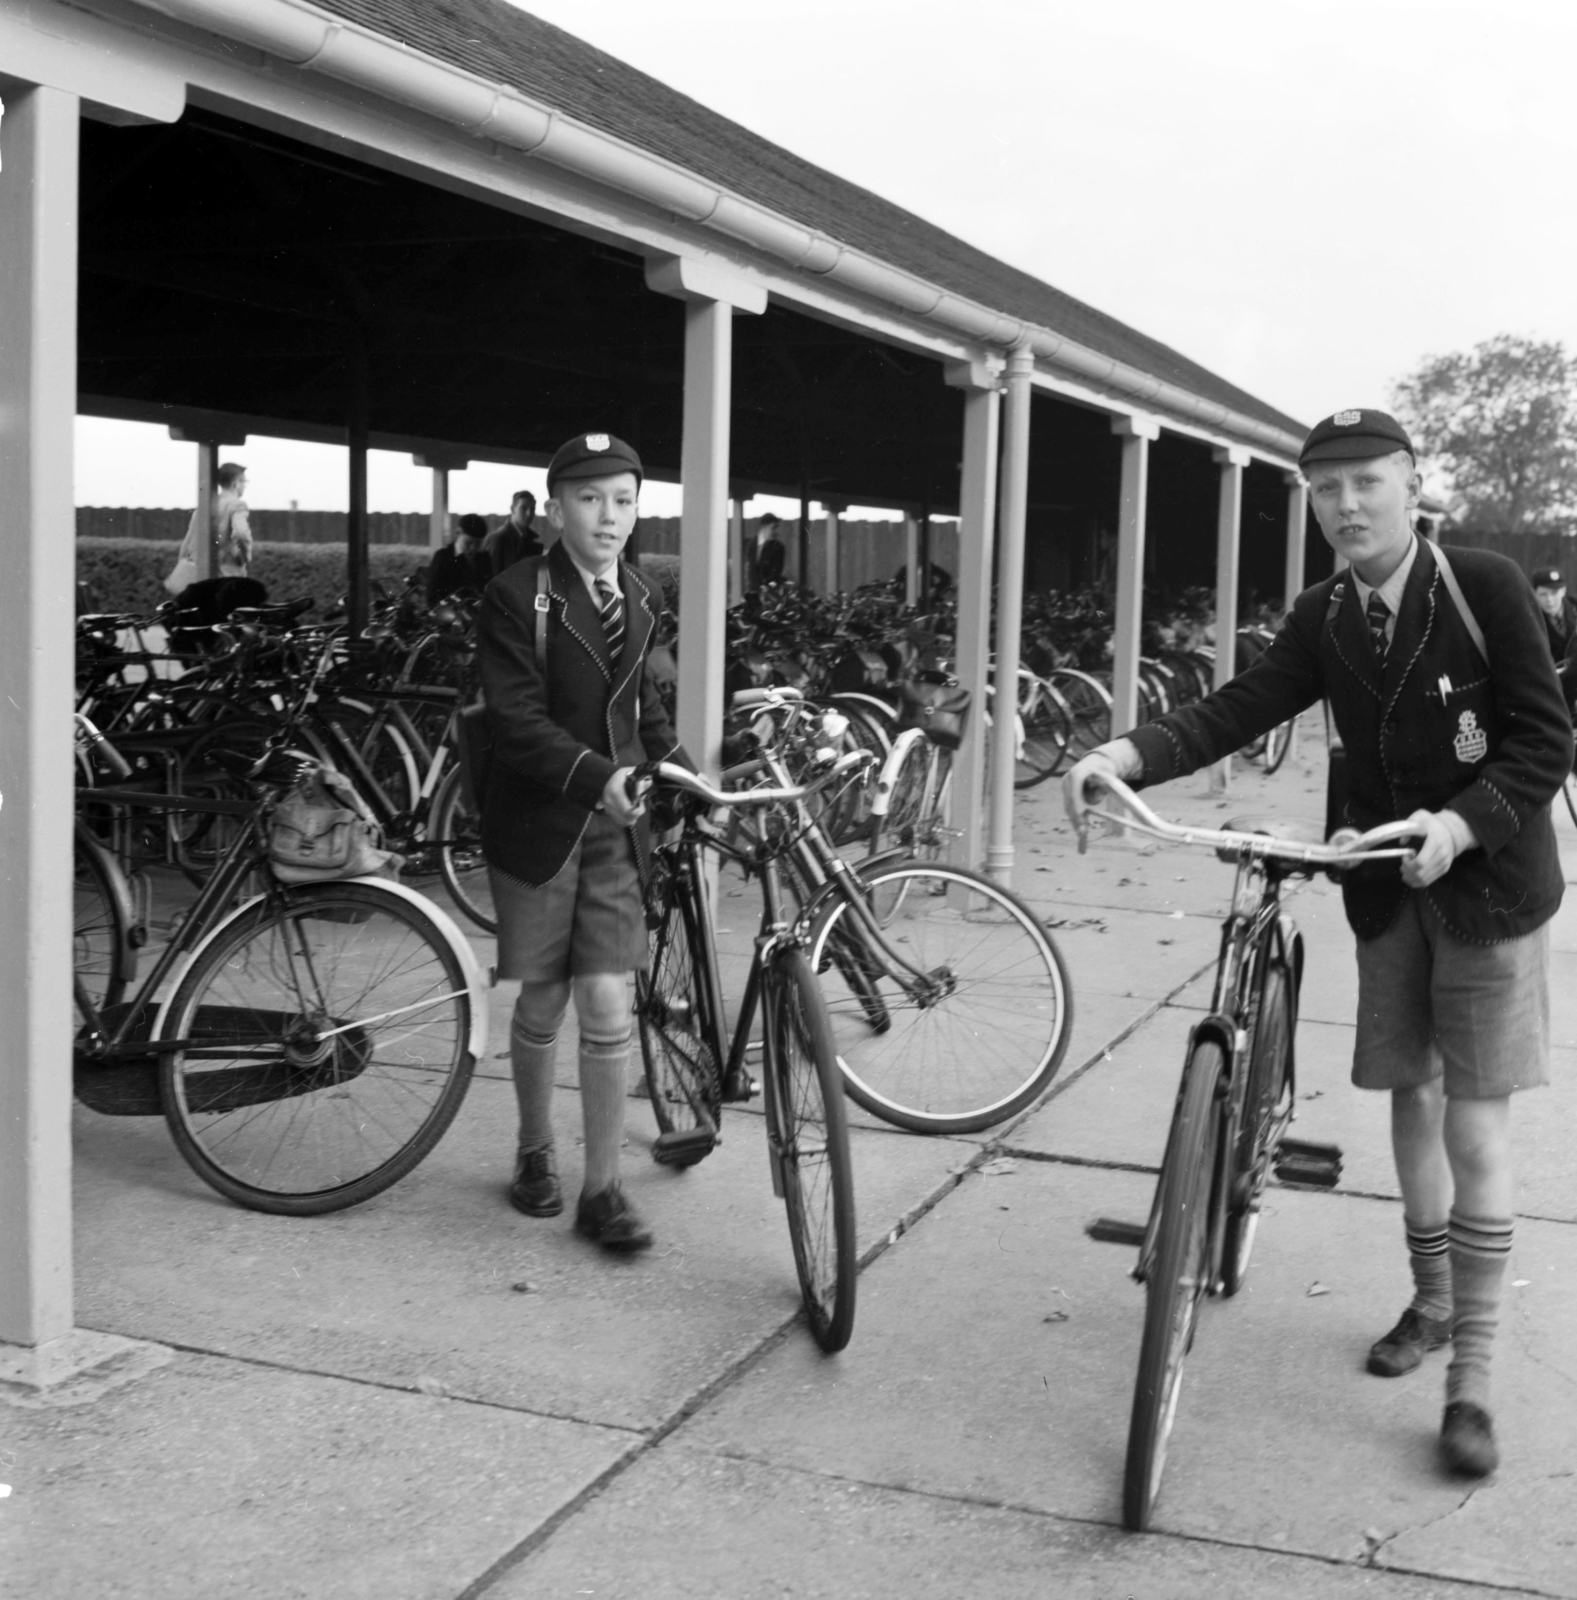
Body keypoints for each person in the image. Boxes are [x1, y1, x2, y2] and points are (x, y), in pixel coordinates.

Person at [1064, 408, 1571, 1480]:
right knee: (1408, 1099)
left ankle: (1468, 1376)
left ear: (1408, 483)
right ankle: (1428, 1299)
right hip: (1383, 891)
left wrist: (1460, 820)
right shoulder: (1325, 614)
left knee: (1475, 1132)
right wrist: (1124, 749)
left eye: (1365, 483)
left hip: (1485, 895)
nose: (1345, 506)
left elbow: (1543, 738)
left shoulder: (1479, 585)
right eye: (1324, 489)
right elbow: (1239, 706)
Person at [475, 432, 690, 1253]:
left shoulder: (640, 595)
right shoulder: (513, 594)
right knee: (541, 1000)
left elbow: (647, 714)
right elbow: (514, 721)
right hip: (537, 827)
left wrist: (687, 778)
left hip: (614, 832)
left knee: (606, 1002)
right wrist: (597, 773)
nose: (610, 516)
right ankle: (535, 1147)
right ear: (556, 507)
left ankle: (602, 1191)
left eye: (625, 501)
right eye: (592, 499)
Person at [174, 461, 253, 582]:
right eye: (244, 482)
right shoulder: (237, 505)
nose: (245, 486)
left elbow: (187, 542)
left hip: (200, 577)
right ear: (236, 483)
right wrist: (244, 557)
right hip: (226, 577)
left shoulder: (204, 505)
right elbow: (241, 533)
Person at [1530, 566, 1577, 715]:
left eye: (1554, 593)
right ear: (1535, 594)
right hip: (1551, 686)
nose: (1549, 600)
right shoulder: (1529, 619)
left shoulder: (1575, 608)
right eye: (1543, 594)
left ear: (1563, 591)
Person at [425, 513, 491, 606]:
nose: (473, 549)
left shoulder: (484, 558)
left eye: (478, 544)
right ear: (457, 533)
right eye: (468, 543)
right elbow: (432, 598)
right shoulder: (443, 557)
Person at [483, 490, 543, 576]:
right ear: (512, 509)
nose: (529, 513)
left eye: (532, 509)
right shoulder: (497, 538)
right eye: (523, 508)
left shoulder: (531, 542)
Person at [754, 512, 787, 585]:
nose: (776, 531)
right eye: (773, 528)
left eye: (777, 528)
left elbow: (775, 573)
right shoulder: (750, 545)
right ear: (764, 527)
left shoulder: (778, 548)